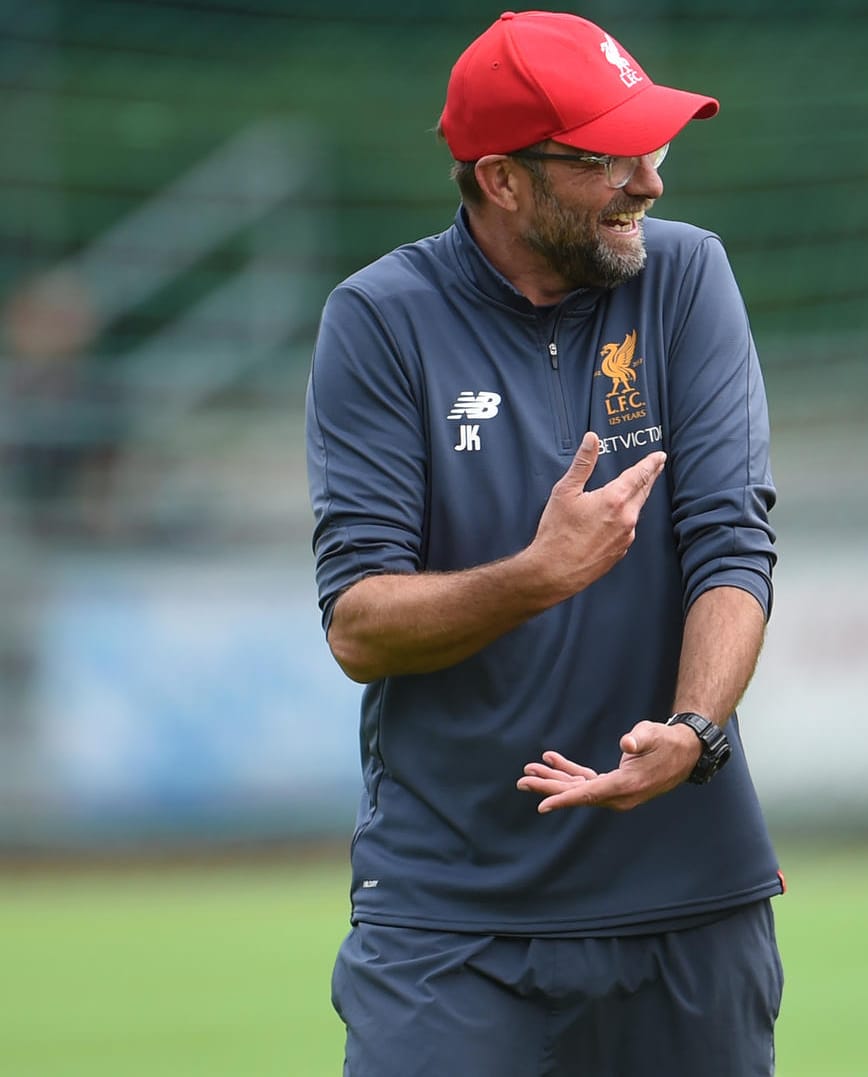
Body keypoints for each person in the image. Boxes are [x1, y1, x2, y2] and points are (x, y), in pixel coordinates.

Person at [305, 11, 781, 1075]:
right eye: (608, 159)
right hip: (449, 917)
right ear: (502, 181)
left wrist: (695, 728)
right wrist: (535, 577)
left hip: (686, 895)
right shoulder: (379, 318)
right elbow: (358, 628)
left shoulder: (688, 277)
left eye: (651, 148)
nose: (648, 182)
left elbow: (731, 546)